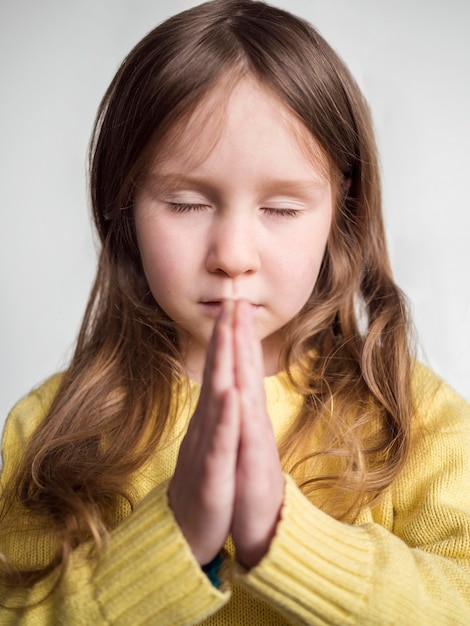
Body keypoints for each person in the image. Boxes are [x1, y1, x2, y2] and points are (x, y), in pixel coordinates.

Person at [1, 0, 469, 623]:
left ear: (340, 215)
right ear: (124, 204)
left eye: (280, 209)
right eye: (187, 202)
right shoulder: (52, 430)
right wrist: (176, 538)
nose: (232, 255)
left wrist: (281, 533)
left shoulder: (413, 417)